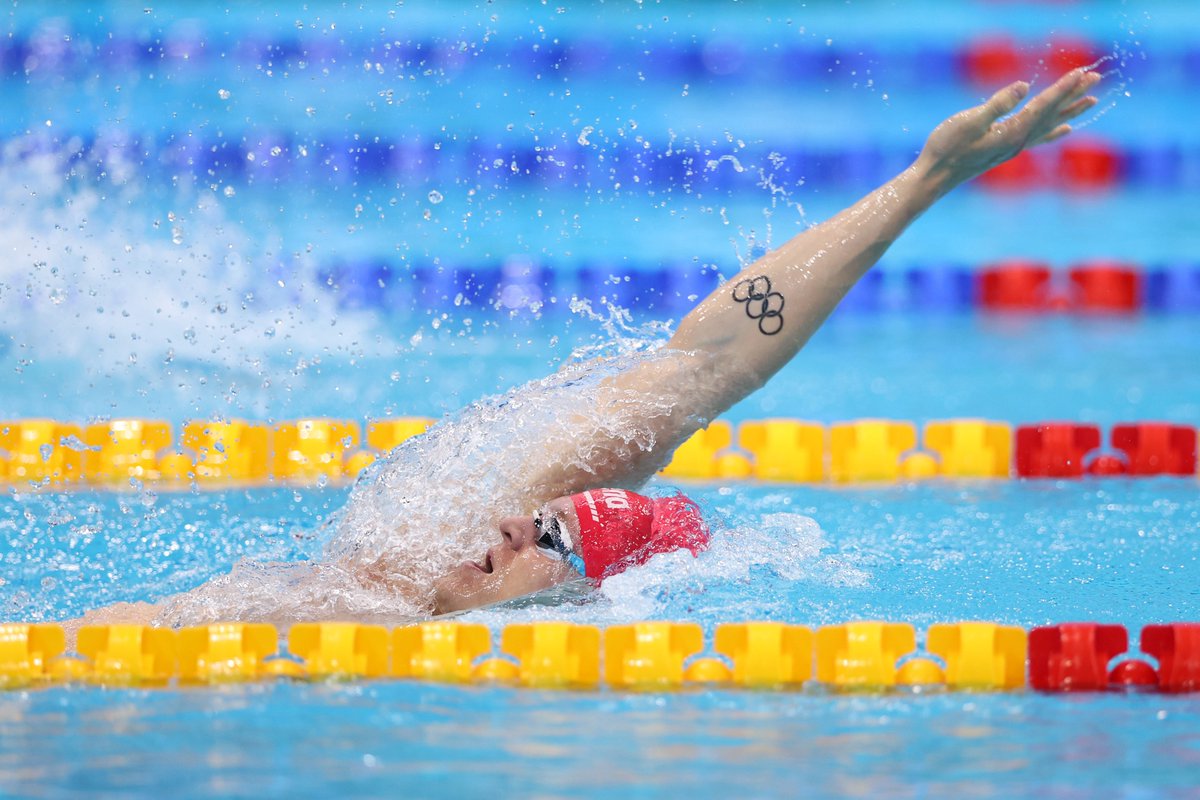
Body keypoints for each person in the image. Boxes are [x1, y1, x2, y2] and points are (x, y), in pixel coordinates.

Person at [70, 67, 1102, 632]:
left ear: (578, 601)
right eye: (540, 518)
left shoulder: (459, 635)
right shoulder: (422, 560)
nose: (518, 524)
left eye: (548, 543)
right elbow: (711, 363)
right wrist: (924, 181)